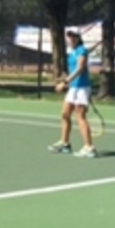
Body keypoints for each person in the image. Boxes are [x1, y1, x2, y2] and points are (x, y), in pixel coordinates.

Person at [48, 30, 98, 158]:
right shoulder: (71, 54)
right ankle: (65, 143)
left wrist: (64, 82)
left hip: (82, 88)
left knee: (80, 116)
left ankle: (89, 147)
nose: (70, 38)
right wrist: (64, 79)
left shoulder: (82, 50)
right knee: (65, 114)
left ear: (78, 38)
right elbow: (72, 71)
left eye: (73, 36)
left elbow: (80, 69)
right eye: (69, 36)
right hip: (73, 88)